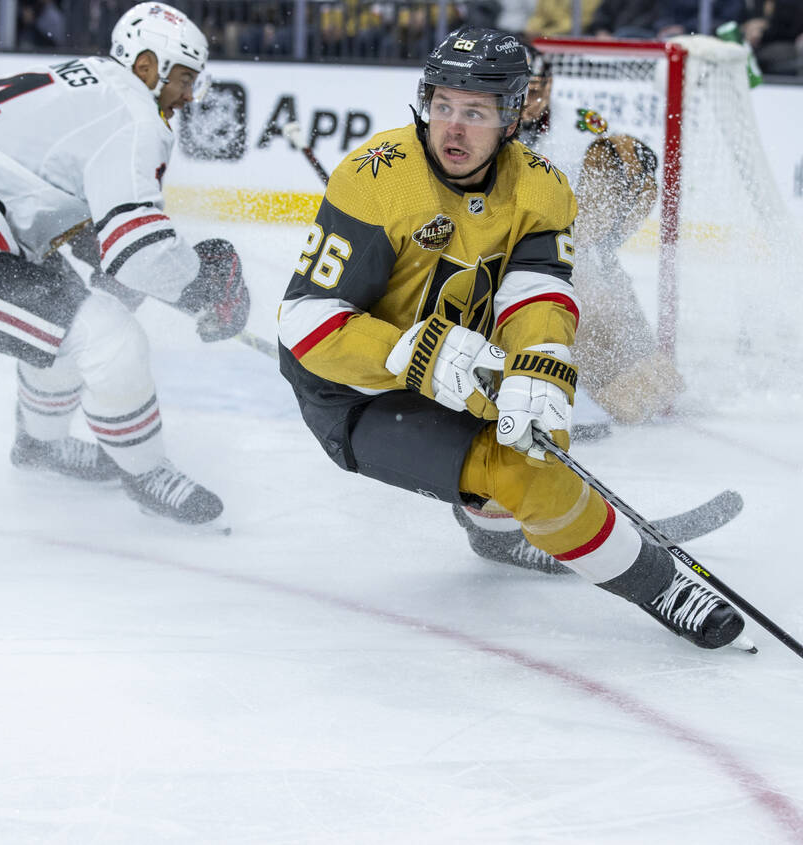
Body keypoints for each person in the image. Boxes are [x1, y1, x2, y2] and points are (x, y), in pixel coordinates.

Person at [277, 27, 750, 651]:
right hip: (354, 391)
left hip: (463, 358)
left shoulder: (541, 187)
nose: (453, 128)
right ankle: (663, 587)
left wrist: (540, 359)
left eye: (474, 112)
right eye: (443, 105)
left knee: (541, 414)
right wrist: (415, 352)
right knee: (531, 474)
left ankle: (498, 526)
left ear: (511, 115)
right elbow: (304, 323)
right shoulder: (378, 177)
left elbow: (537, 293)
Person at [0, 2, 249, 528]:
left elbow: (50, 178)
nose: (188, 95)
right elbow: (139, 248)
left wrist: (109, 247)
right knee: (109, 337)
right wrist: (202, 290)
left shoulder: (92, 79)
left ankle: (40, 448)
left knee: (70, 324)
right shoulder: (136, 118)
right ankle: (144, 472)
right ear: (146, 66)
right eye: (184, 78)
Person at [455, 37, 682, 575]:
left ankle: (574, 396)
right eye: (516, 89)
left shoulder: (582, 131)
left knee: (651, 388)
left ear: (548, 86)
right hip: (491, 273)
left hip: (567, 262)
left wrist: (618, 194)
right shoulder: (473, 132)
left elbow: (610, 200)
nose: (526, 98)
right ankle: (496, 505)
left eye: (535, 87)